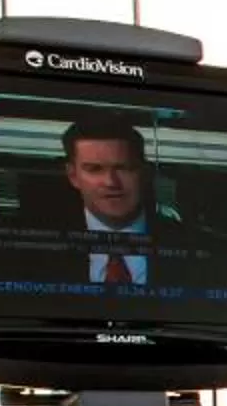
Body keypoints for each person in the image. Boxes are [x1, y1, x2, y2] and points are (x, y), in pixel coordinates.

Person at [61, 114, 168, 285]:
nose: (111, 183)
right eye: (95, 169)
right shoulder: (33, 255)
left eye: (123, 168)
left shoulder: (195, 246)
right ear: (73, 175)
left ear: (145, 173)